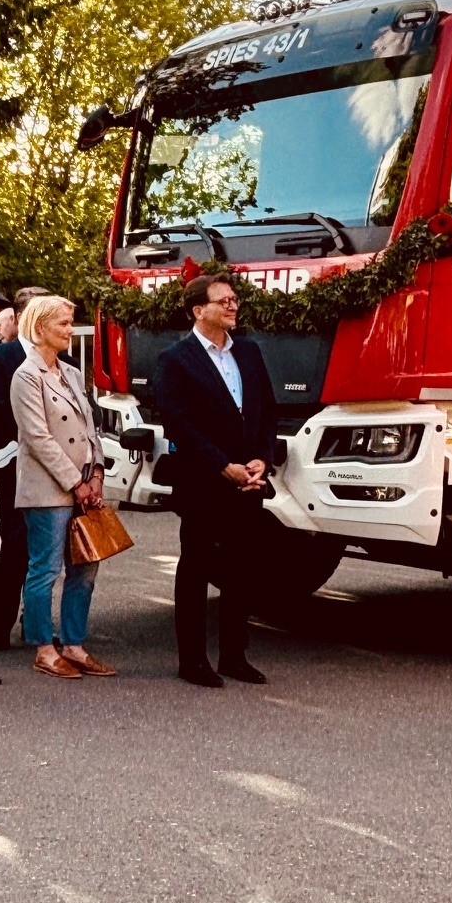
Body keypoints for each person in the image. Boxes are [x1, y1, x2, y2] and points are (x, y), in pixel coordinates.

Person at [154, 274, 278, 688]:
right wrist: (222, 465)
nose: (232, 305)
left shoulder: (249, 351)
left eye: (234, 299)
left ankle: (233, 656)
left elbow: (266, 412)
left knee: (242, 569)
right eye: (223, 300)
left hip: (248, 481)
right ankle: (192, 661)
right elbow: (178, 423)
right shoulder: (176, 359)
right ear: (198, 310)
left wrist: (262, 459)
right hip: (203, 482)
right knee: (196, 568)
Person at [11, 296, 115, 679]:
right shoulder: (26, 375)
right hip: (47, 490)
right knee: (46, 568)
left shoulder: (70, 371)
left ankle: (74, 645)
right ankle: (43, 648)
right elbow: (37, 438)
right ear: (40, 328)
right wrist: (76, 483)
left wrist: (97, 473)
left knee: (86, 567)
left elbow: (91, 428)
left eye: (71, 323)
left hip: (85, 485)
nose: (70, 330)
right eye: (64, 324)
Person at [0, 286, 47, 650]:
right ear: (19, 318)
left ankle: (35, 622)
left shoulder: (60, 356)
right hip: (14, 462)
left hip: (54, 466)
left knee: (48, 548)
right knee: (16, 543)